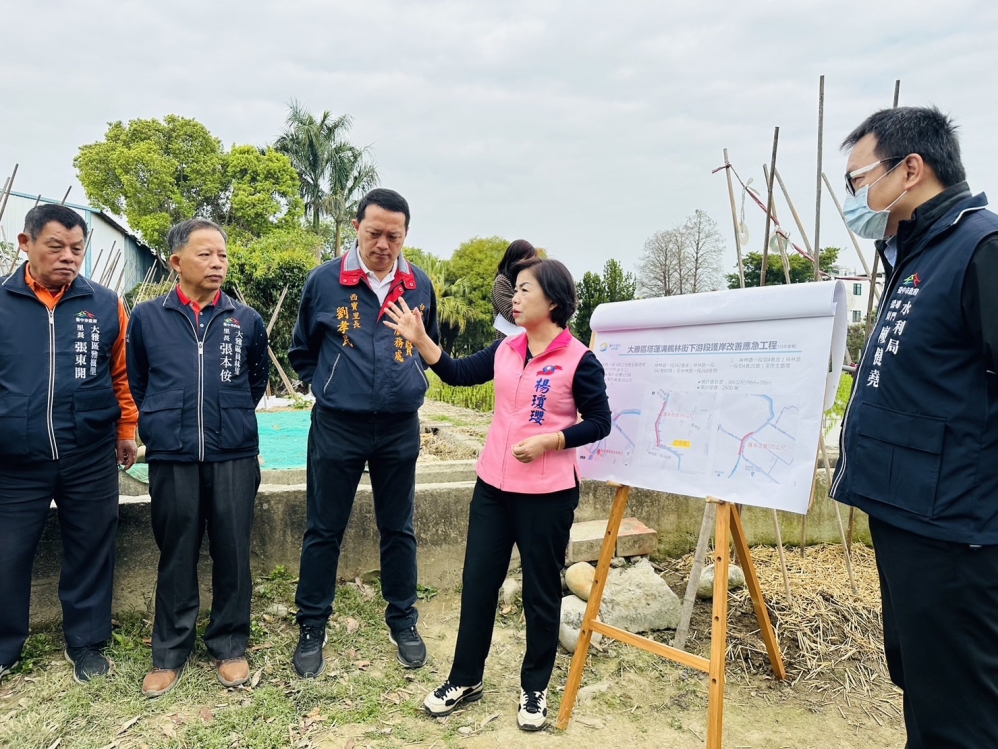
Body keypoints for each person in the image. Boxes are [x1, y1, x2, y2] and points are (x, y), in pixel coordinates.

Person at [384, 257, 611, 731]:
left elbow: (599, 422)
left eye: (525, 289)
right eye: (515, 289)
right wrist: (420, 338)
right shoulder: (507, 348)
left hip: (547, 494)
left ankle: (535, 687)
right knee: (478, 584)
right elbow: (456, 372)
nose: (515, 297)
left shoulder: (579, 360)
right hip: (492, 487)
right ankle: (465, 678)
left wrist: (553, 440)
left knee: (540, 592)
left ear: (553, 301)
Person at [831, 106, 998, 748]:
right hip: (910, 519)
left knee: (961, 714)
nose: (853, 197)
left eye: (857, 180)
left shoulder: (980, 248)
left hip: (957, 533)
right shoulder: (918, 251)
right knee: (925, 688)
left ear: (910, 169)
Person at [288, 188, 439, 677]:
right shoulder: (324, 282)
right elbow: (302, 349)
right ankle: (312, 624)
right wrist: (331, 385)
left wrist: (406, 383)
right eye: (374, 233)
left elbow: (428, 346)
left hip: (399, 426)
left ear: (405, 235)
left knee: (399, 527)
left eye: (394, 236)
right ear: (356, 227)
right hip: (338, 426)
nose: (383, 244)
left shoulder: (418, 285)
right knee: (323, 528)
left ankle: (403, 619)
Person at [126, 219, 269, 697]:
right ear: (176, 262)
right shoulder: (147, 318)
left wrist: (228, 419)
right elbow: (140, 382)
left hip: (233, 453)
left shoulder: (245, 320)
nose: (217, 263)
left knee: (233, 550)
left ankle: (230, 644)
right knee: (177, 551)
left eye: (222, 255)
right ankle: (169, 652)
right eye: (205, 254)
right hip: (173, 455)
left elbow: (254, 380)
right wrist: (166, 422)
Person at [0, 204, 137, 684]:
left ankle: (87, 643)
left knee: (90, 548)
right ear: (26, 244)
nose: (68, 257)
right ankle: (5, 646)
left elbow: (122, 375)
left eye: (77, 249)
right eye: (55, 246)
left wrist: (126, 430)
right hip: (15, 460)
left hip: (89, 453)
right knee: (7, 553)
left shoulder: (105, 303)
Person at [491, 239, 536, 338]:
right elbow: (512, 315)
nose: (531, 265)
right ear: (514, 259)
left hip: (530, 339)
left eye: (533, 261)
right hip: (509, 341)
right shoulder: (502, 281)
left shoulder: (530, 281)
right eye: (527, 260)